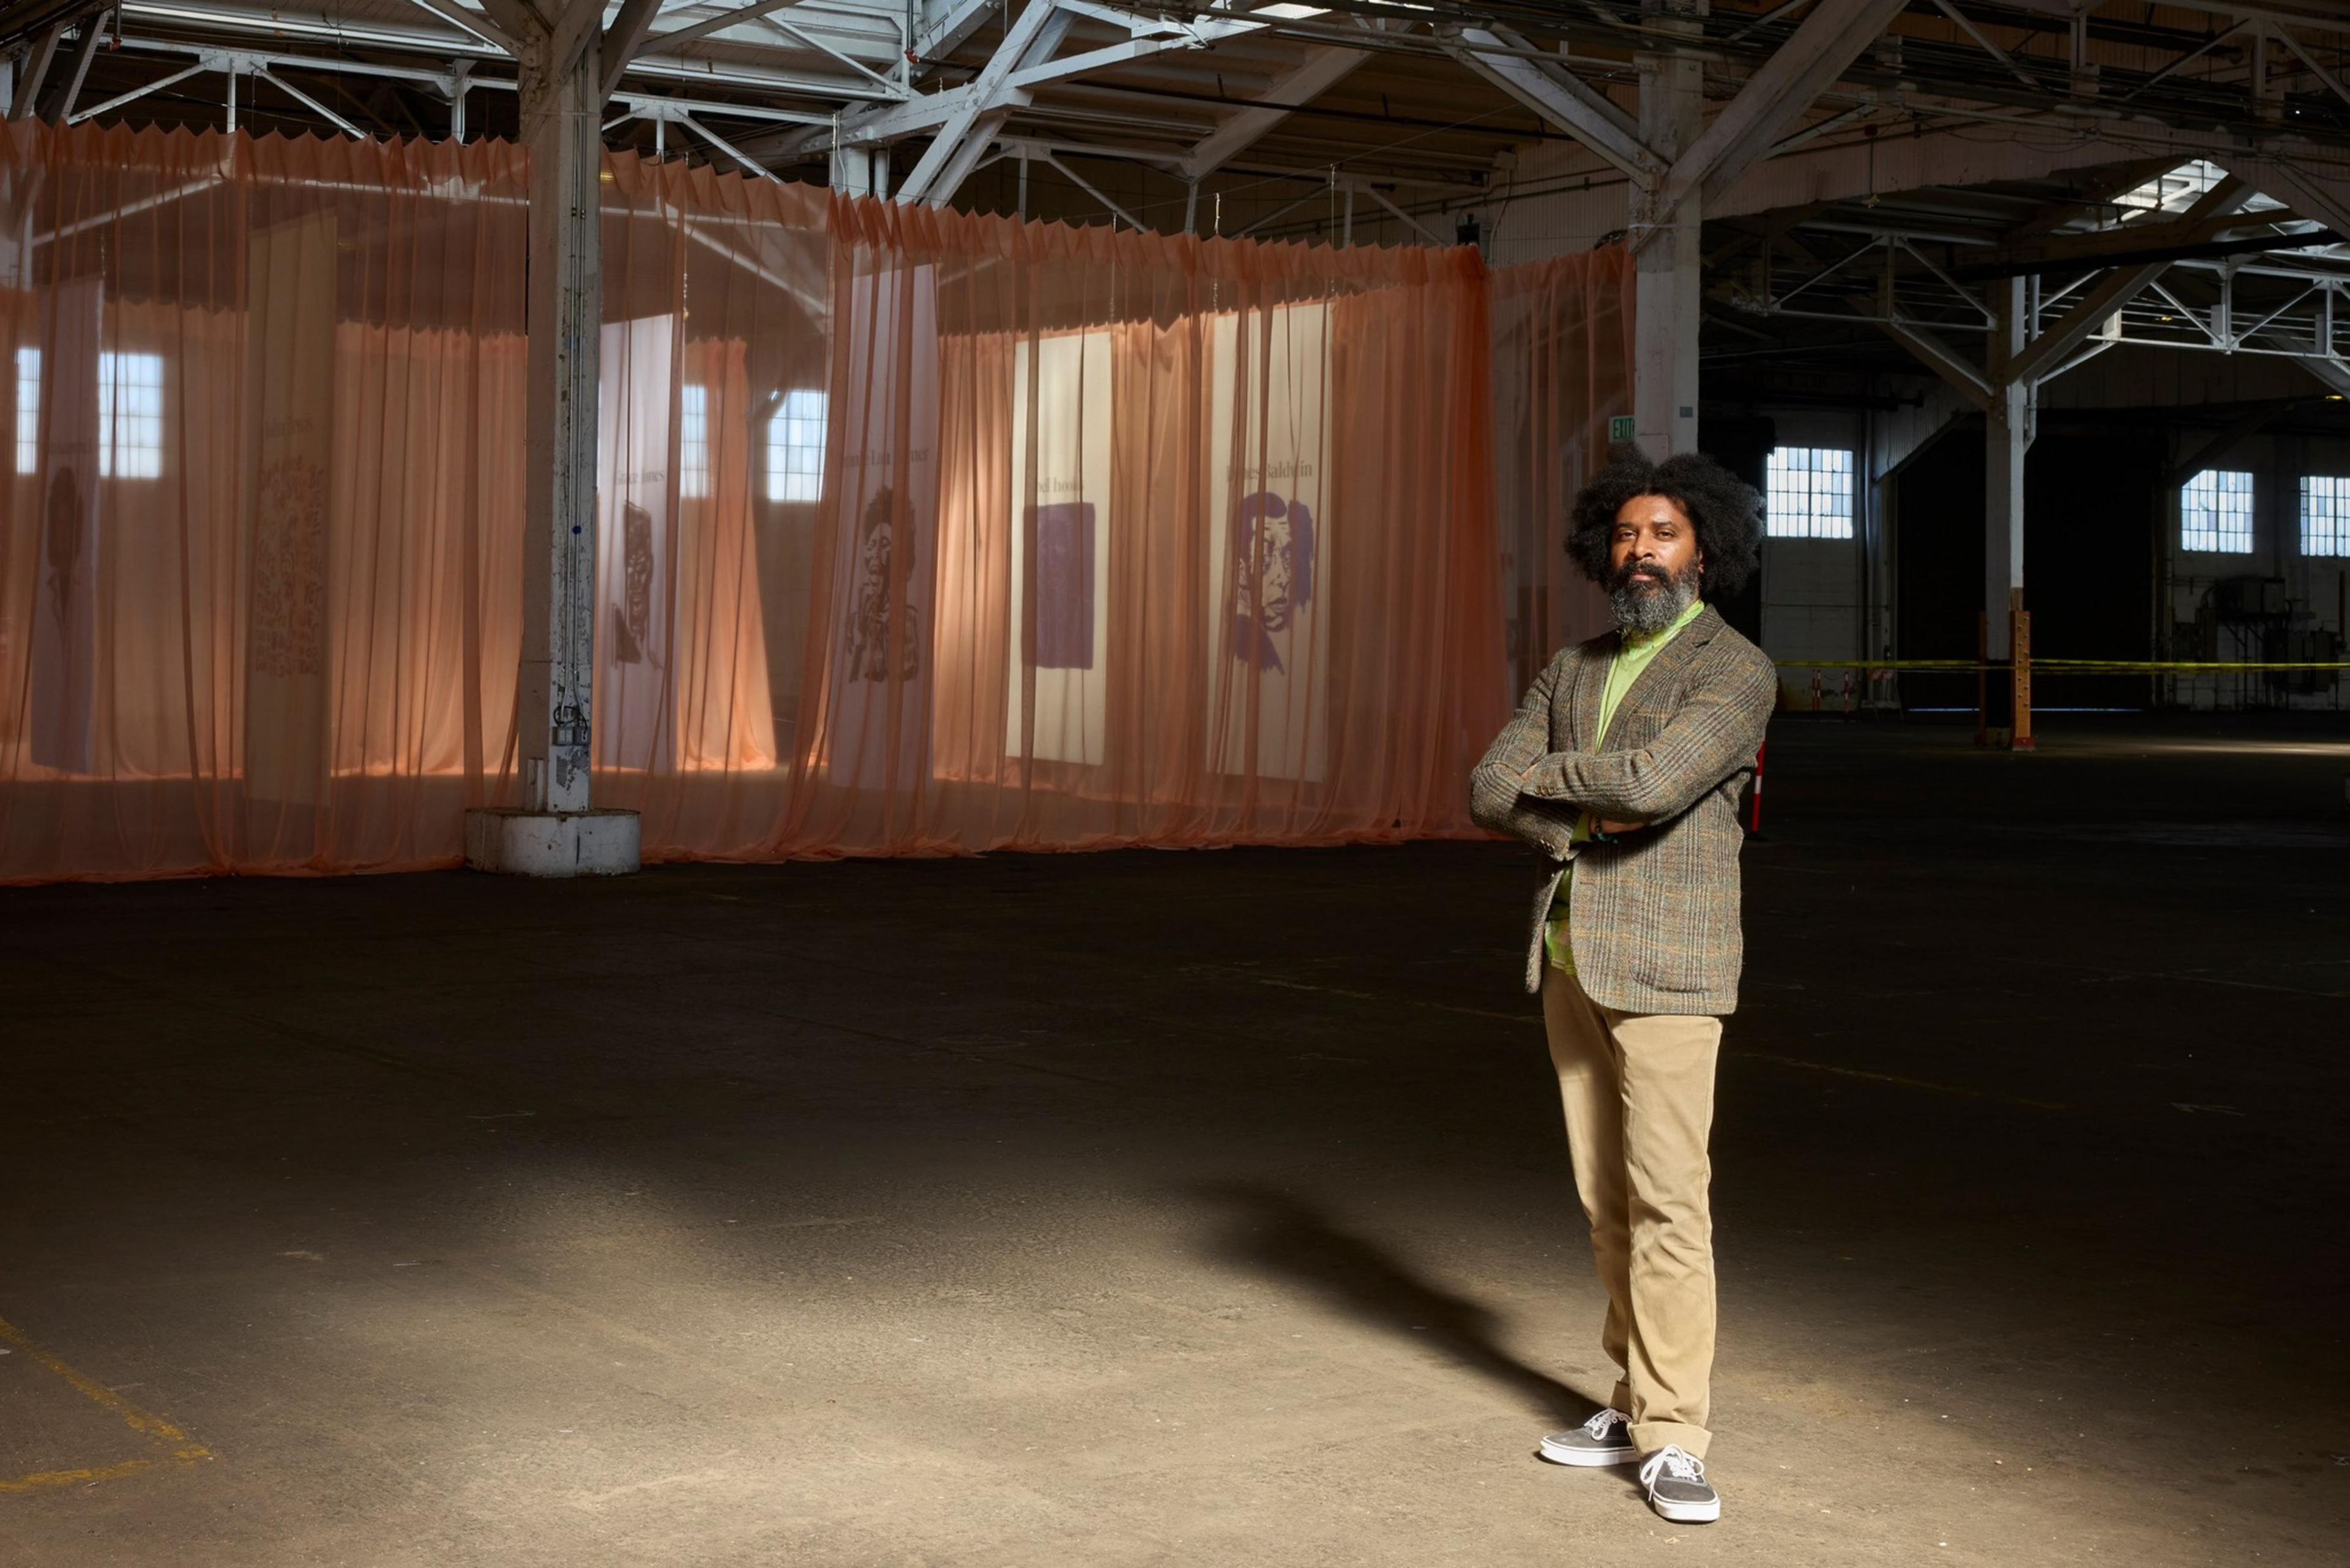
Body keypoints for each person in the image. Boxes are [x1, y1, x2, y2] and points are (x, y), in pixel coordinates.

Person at [1469, 446, 1774, 1526]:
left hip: (1672, 968)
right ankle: (1631, 1396)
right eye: (1627, 534)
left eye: (1666, 534)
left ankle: (1676, 1434)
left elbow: (1652, 784)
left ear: (1707, 551)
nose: (1640, 553)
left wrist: (1552, 788)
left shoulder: (1735, 670)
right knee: (1608, 1202)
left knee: (1669, 1204)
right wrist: (1582, 811)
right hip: (1568, 955)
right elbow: (1484, 785)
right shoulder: (1574, 665)